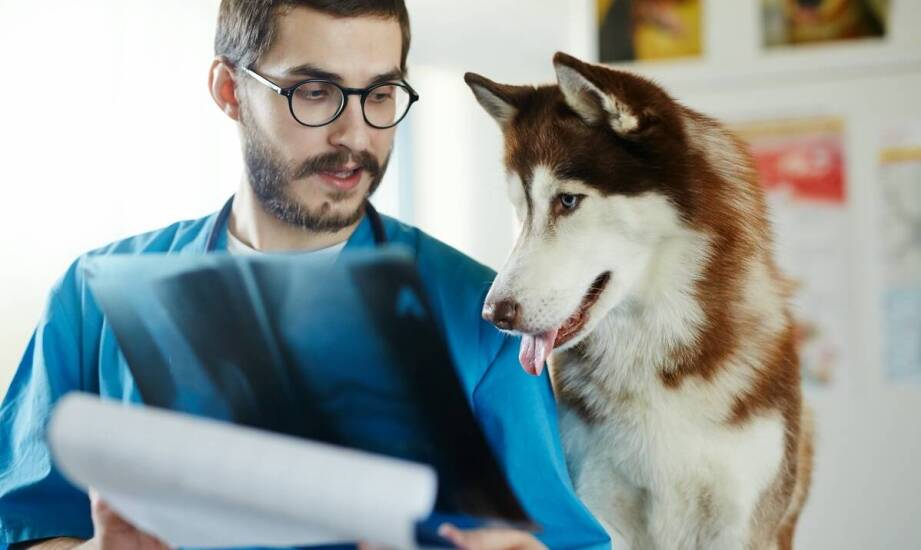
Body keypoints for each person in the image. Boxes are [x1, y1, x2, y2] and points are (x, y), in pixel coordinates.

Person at [0, 2, 610, 549]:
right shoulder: (93, 300)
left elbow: (557, 542)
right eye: (314, 92)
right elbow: (23, 524)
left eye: (380, 94)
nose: (355, 135)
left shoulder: (486, 320)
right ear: (230, 90)